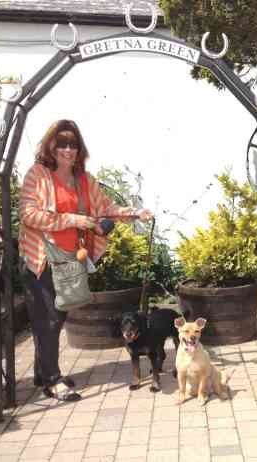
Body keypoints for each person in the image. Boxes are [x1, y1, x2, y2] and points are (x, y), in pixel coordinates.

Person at [19, 119, 153, 402]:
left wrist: (134, 213)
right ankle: (52, 380)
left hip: (72, 261)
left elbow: (106, 208)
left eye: (73, 144)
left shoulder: (84, 179)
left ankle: (43, 372)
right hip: (43, 260)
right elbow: (28, 214)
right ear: (51, 146)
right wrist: (72, 219)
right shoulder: (38, 175)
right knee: (50, 320)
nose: (68, 149)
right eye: (62, 143)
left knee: (59, 315)